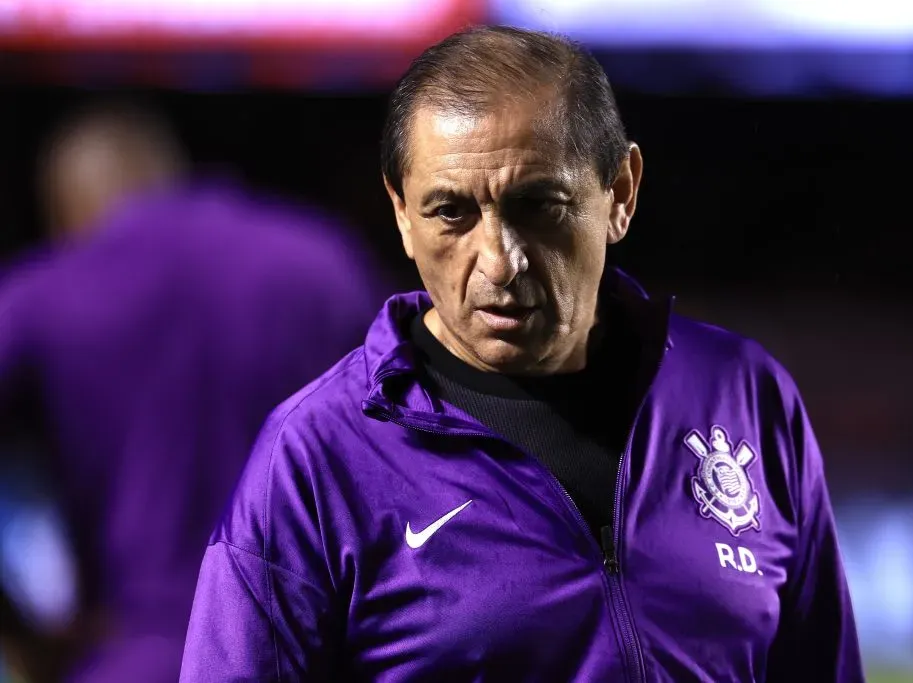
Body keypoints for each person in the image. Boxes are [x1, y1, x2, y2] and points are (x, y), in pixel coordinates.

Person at [181, 25, 864, 682]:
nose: (499, 261)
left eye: (538, 205)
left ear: (621, 193)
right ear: (401, 215)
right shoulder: (315, 457)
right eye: (451, 211)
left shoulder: (744, 397)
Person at [0, 101, 391, 683]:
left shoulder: (48, 289)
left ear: (68, 206)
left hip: (133, 658)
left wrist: (25, 637)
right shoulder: (322, 261)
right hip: (313, 655)